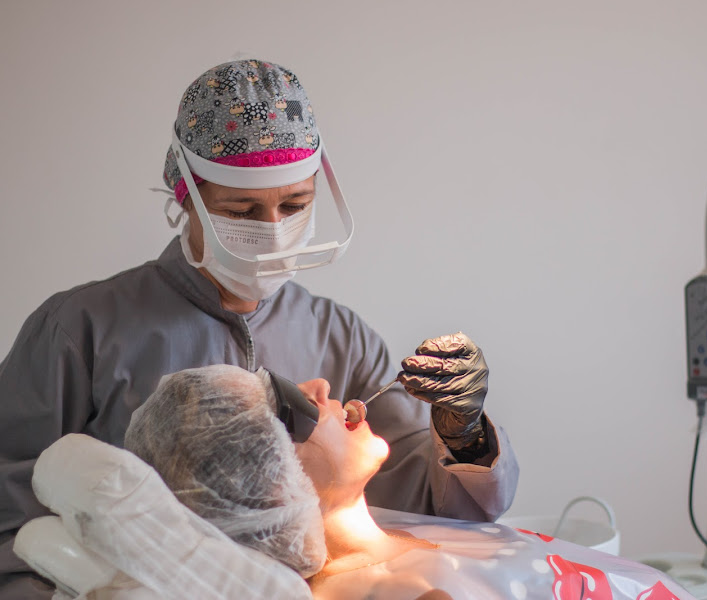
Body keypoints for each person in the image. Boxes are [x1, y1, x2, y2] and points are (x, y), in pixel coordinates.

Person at [0, 59, 519, 598]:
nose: (273, 233)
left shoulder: (341, 337)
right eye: (243, 211)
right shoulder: (80, 332)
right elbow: (8, 524)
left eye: (295, 205)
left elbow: (439, 505)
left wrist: (463, 438)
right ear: (188, 197)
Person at [110, 364, 689, 600]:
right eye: (291, 407)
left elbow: (460, 490)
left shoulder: (392, 530)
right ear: (267, 486)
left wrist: (461, 422)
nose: (317, 384)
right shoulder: (405, 594)